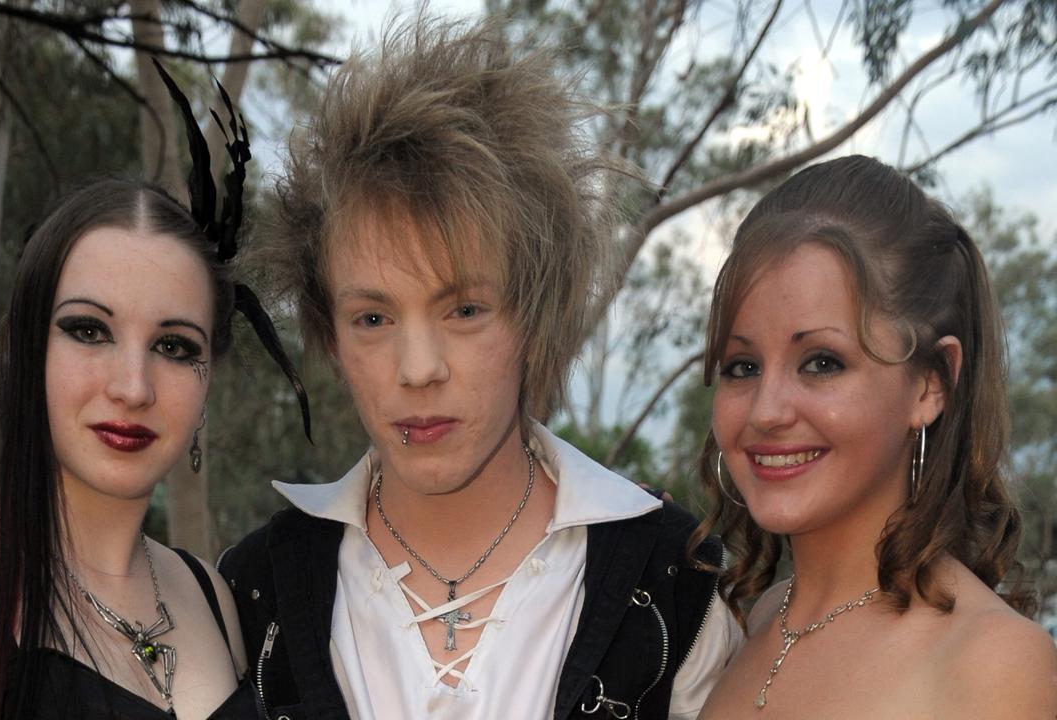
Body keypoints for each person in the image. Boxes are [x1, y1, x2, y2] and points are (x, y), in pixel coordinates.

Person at [218, 16, 742, 720]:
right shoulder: (252, 592)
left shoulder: (677, 584)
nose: (419, 369)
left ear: (533, 314)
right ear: (331, 338)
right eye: (373, 319)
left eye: (464, 310)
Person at [0, 65, 308, 719]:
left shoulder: (212, 596)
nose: (132, 387)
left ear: (208, 375)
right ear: (29, 347)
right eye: (88, 330)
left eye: (174, 346)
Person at [693, 155, 1057, 718]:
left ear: (931, 383)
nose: (766, 411)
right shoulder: (762, 619)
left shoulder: (994, 664)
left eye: (821, 362)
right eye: (742, 366)